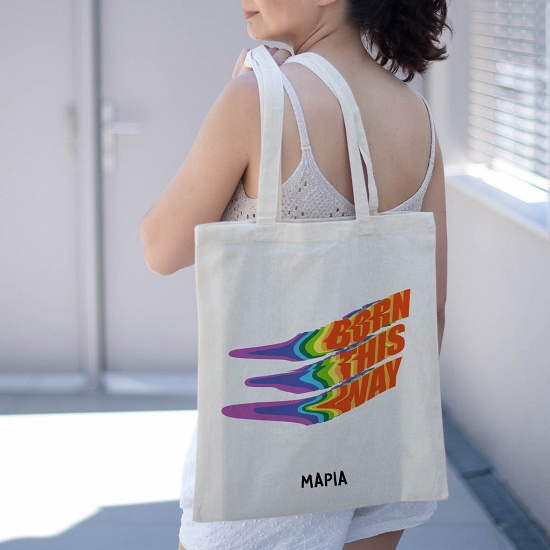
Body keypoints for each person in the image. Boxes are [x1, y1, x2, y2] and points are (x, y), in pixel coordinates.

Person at [140, 0, 450, 548]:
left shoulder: (259, 97)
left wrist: (240, 103)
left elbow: (159, 248)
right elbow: (433, 309)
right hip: (382, 440)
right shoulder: (417, 115)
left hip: (272, 453)